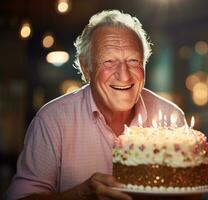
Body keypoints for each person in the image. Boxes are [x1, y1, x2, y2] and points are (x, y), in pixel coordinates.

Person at [7, 10, 186, 200]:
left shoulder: (170, 117)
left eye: (134, 61)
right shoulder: (53, 120)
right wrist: (81, 194)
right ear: (86, 69)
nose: (124, 75)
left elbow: (190, 192)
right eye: (109, 61)